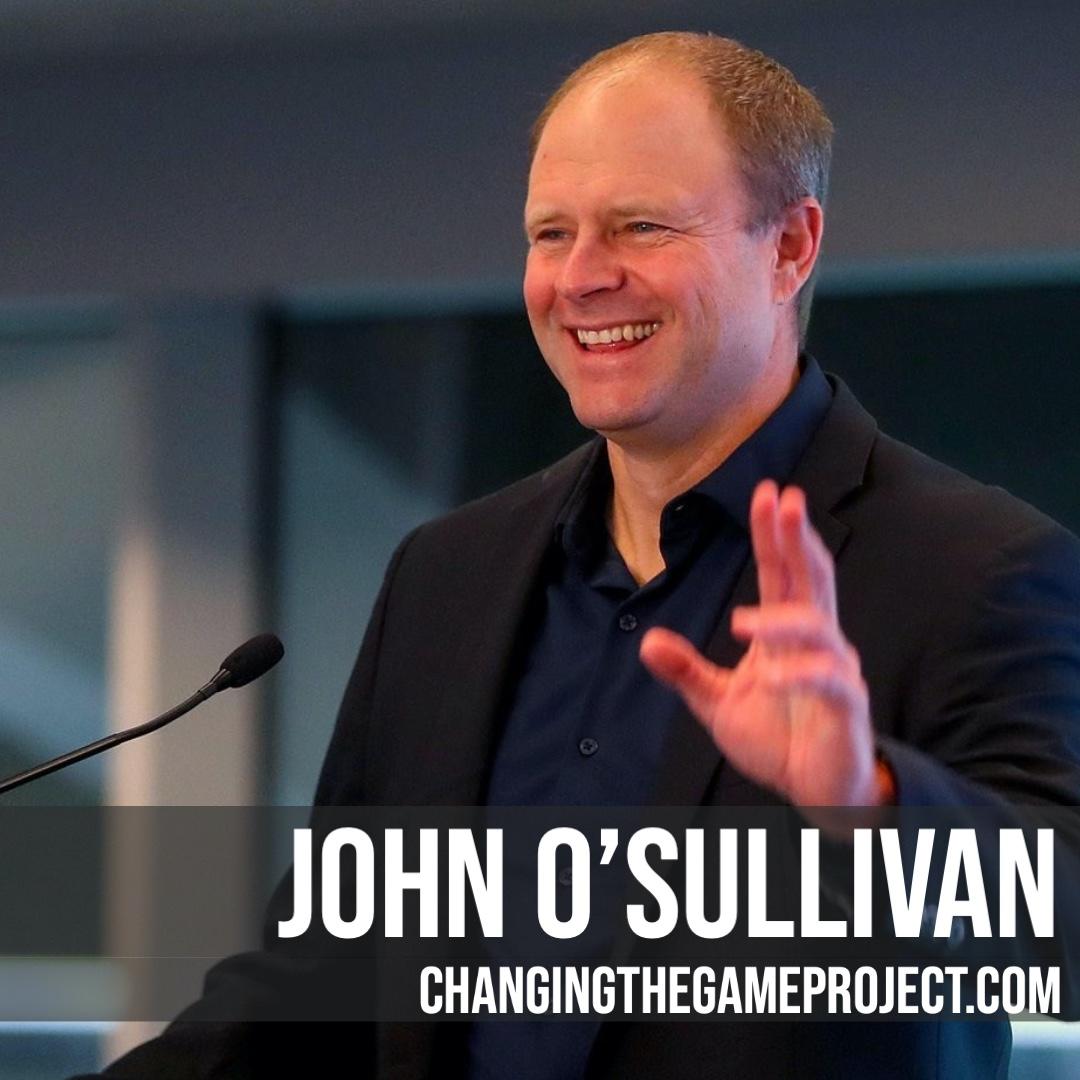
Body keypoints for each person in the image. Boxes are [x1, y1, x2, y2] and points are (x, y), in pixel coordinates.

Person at [86, 30, 1080, 1080]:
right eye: (550, 233)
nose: (581, 277)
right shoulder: (445, 577)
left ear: (790, 247)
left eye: (641, 226)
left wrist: (866, 798)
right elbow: (315, 985)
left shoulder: (978, 567)